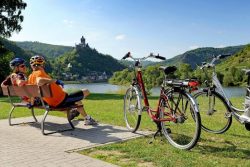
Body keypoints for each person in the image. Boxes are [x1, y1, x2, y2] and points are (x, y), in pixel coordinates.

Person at [27, 55, 97, 125]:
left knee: (77, 100)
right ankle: (86, 118)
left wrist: (32, 104)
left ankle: (81, 116)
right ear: (42, 64)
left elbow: (32, 92)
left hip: (51, 103)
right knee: (86, 91)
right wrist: (55, 80)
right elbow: (39, 81)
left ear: (31, 65)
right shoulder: (40, 72)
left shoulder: (30, 77)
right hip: (62, 100)